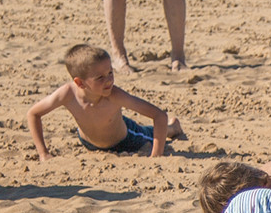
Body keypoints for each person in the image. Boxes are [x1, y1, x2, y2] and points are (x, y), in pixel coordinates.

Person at [26, 43, 183, 158]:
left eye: (110, 73)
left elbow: (159, 115)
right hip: (88, 143)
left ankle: (173, 128)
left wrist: (156, 155)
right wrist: (43, 153)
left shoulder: (115, 96)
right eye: (100, 77)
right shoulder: (67, 94)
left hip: (126, 139)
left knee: (149, 133)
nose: (108, 80)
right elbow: (33, 114)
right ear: (79, 83)